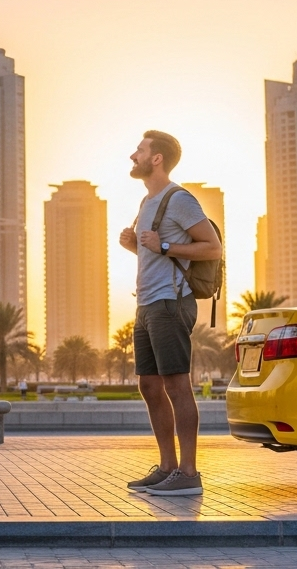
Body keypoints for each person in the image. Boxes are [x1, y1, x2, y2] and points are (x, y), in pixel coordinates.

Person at [119, 130, 222, 496]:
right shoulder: (147, 202)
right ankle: (167, 467)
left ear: (157, 158)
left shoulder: (179, 199)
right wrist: (136, 247)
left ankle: (189, 473)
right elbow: (163, 256)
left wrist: (161, 244)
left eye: (140, 150)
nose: (133, 155)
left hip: (169, 303)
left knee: (177, 385)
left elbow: (212, 248)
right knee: (149, 385)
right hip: (146, 304)